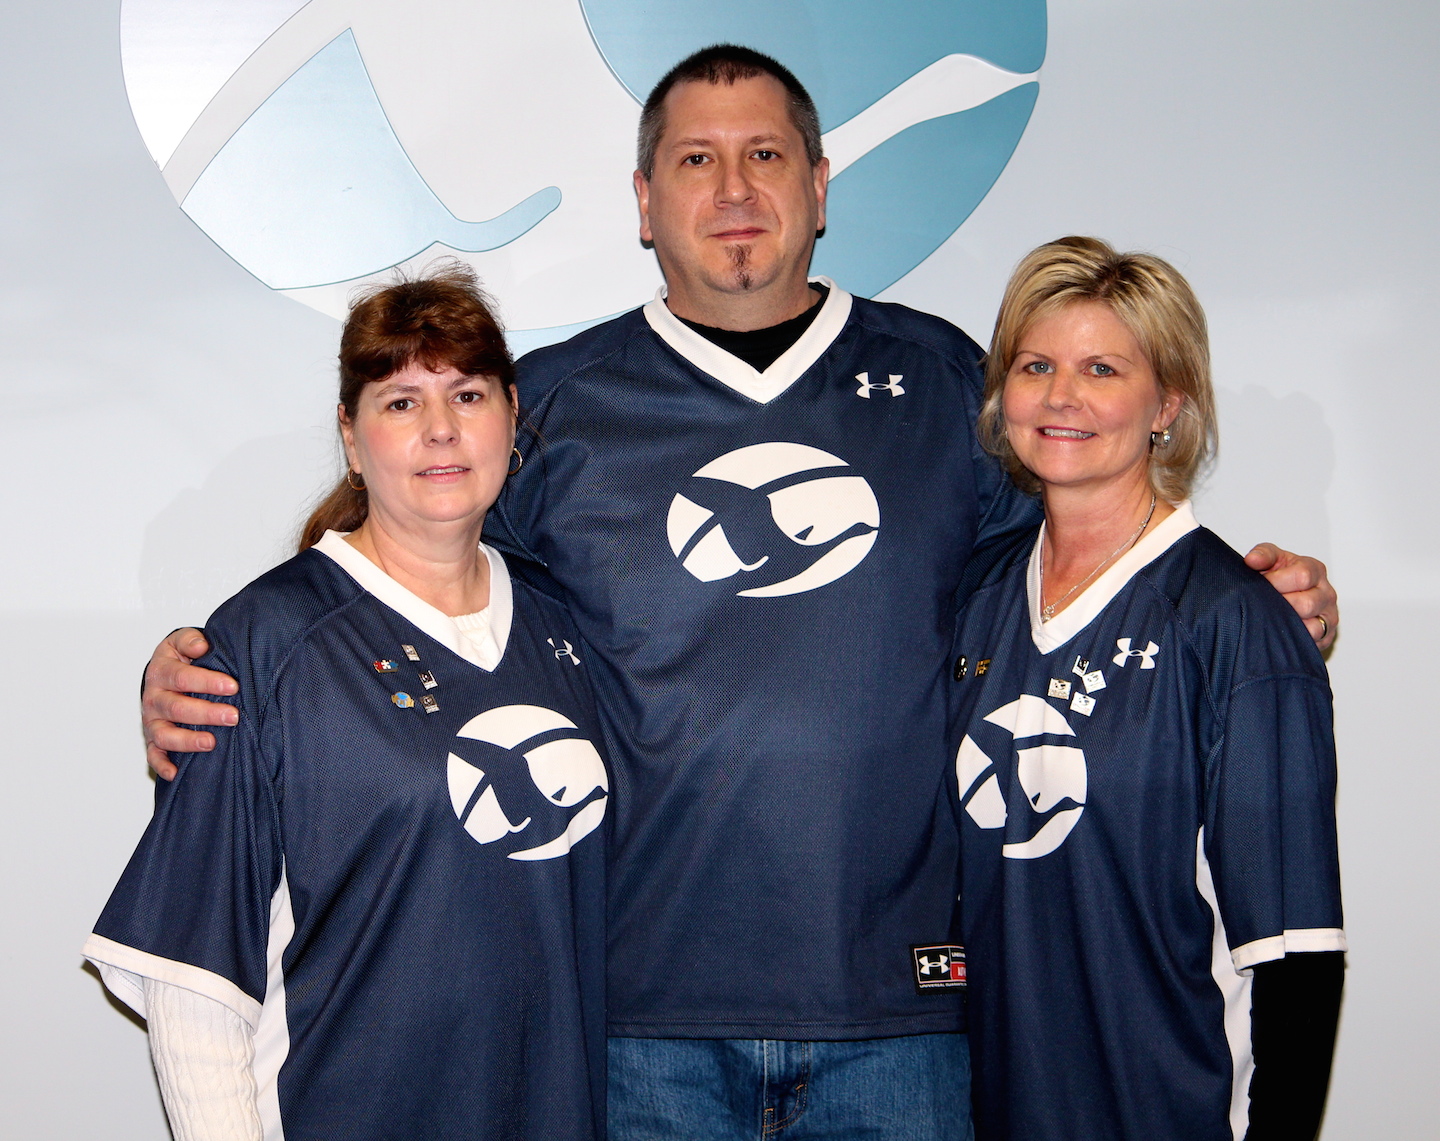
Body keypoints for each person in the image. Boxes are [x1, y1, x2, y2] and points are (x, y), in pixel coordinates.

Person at [137, 47, 1339, 1139]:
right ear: (644, 202)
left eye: (766, 155)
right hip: (635, 1030)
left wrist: (1246, 597)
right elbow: (415, 577)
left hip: (908, 1028)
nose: (734, 189)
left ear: (820, 184)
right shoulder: (547, 405)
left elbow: (1088, 558)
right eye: (695, 160)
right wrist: (209, 666)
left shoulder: (942, 383)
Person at [86, 267, 609, 1140]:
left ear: (513, 414)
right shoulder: (265, 643)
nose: (441, 429)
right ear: (352, 434)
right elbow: (195, 985)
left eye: (467, 394)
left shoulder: (566, 621)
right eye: (401, 401)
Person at [950, 236, 1344, 1141]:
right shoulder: (976, 599)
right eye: (1035, 364)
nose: (1061, 395)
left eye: (1102, 368)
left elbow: (1295, 955)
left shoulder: (1236, 626)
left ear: (1168, 401)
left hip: (1164, 1112)